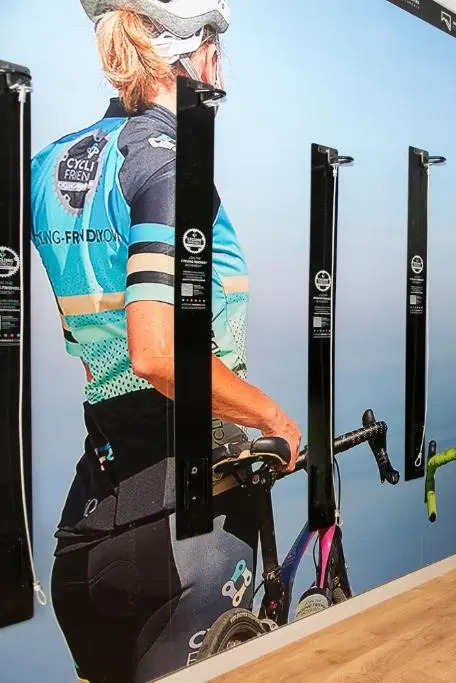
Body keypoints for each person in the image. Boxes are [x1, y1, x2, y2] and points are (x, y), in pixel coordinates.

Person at [31, 2, 301, 680]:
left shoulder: (49, 165)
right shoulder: (167, 166)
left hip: (86, 533)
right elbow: (156, 353)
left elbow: (98, 344)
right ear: (197, 53)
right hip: (189, 530)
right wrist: (272, 417)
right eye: (218, 50)